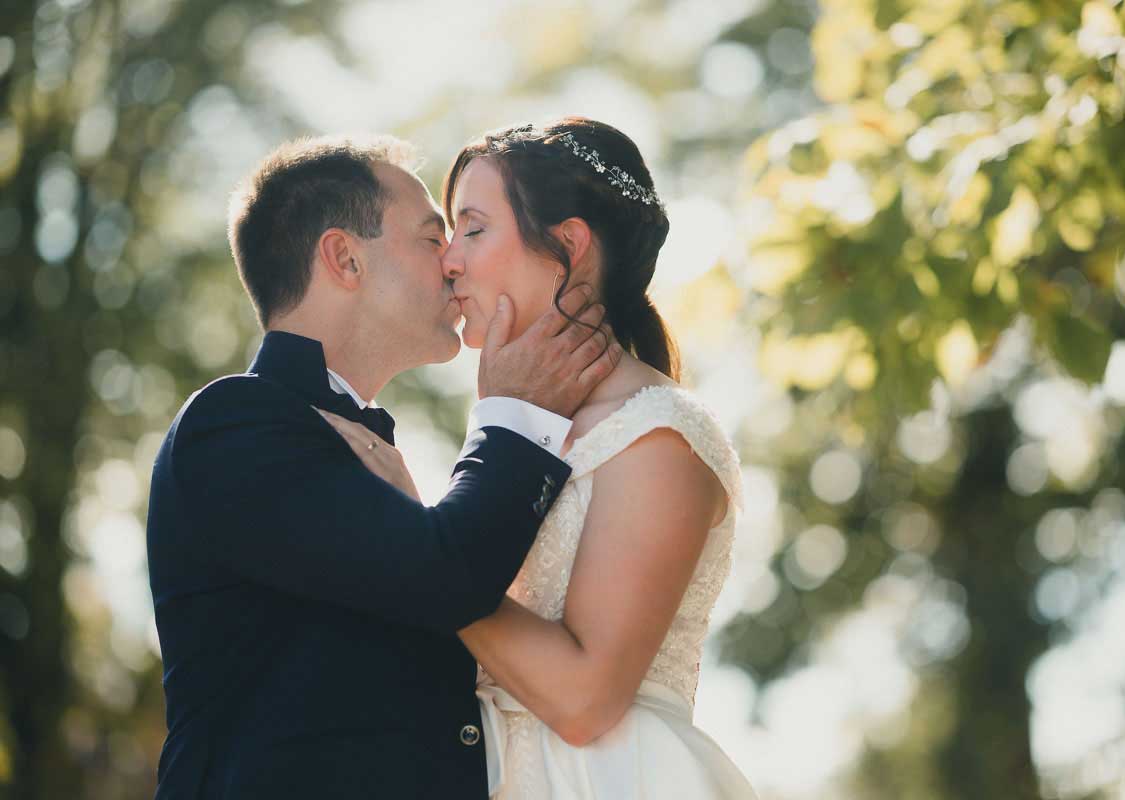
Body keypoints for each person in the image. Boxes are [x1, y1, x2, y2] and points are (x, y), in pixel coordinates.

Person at [145, 134, 621, 799]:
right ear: (344, 258)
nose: (455, 263)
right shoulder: (232, 426)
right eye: (432, 239)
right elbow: (447, 578)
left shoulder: (355, 447)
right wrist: (515, 412)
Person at [324, 118, 757, 798]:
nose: (449, 260)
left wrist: (418, 540)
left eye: (472, 228)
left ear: (568, 243)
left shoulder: (658, 437)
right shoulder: (526, 431)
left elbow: (586, 700)